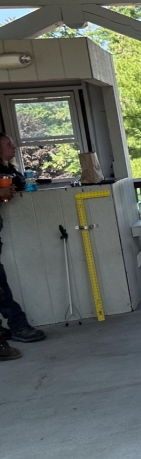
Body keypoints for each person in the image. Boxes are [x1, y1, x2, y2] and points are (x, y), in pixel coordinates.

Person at [0, 133, 46, 357]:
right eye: (8, 144)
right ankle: (17, 326)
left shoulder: (8, 168)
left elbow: (18, 182)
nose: (13, 146)